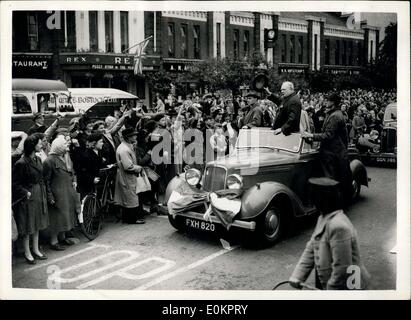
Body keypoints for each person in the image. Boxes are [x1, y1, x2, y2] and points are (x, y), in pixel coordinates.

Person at [289, 177, 370, 290]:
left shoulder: (338, 226)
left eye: (314, 197)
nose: (312, 201)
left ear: (323, 199)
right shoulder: (323, 217)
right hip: (331, 279)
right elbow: (311, 247)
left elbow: (342, 269)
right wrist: (298, 276)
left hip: (350, 287)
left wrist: (329, 293)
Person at [301, 93, 352, 203]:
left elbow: (328, 135)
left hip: (332, 153)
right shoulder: (334, 113)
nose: (325, 102)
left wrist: (311, 136)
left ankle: (332, 203)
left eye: (328, 100)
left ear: (333, 103)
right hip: (334, 150)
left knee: (330, 178)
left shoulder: (335, 116)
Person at [12, 134, 49, 263]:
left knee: (37, 223)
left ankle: (36, 250)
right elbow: (15, 183)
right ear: (32, 146)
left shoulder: (38, 159)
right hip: (28, 196)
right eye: (39, 143)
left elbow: (41, 177)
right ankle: (27, 252)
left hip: (38, 193)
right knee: (28, 226)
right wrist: (25, 192)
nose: (41, 145)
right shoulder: (21, 163)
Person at [43, 136, 79, 250]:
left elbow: (71, 172)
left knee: (64, 216)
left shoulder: (63, 157)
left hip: (65, 192)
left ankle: (62, 237)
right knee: (56, 218)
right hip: (57, 194)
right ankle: (54, 241)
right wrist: (50, 196)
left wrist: (73, 181)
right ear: (58, 147)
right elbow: (46, 181)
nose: (67, 145)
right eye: (64, 144)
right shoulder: (49, 161)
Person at [114, 128, 145, 224]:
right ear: (128, 137)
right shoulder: (124, 149)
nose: (135, 137)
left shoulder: (126, 146)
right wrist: (138, 168)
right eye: (133, 135)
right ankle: (132, 219)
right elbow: (128, 166)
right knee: (131, 196)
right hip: (127, 176)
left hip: (126, 176)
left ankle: (129, 218)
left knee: (129, 196)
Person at [76, 133, 105, 200]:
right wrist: (92, 179)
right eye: (100, 142)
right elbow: (81, 172)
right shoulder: (86, 156)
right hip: (88, 187)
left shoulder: (98, 153)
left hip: (97, 185)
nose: (102, 143)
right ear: (94, 143)